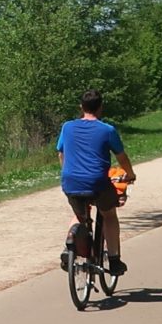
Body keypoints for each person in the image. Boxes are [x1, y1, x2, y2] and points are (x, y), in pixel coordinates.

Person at [58, 89, 136, 276]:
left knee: (80, 215)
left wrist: (67, 173)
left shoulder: (67, 127)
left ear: (81, 107)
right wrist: (130, 174)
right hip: (97, 183)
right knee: (109, 215)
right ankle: (115, 260)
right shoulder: (107, 130)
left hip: (70, 181)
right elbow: (121, 157)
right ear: (100, 107)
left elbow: (61, 154)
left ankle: (68, 246)